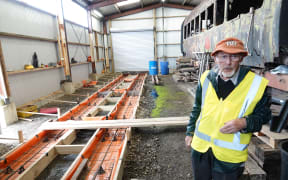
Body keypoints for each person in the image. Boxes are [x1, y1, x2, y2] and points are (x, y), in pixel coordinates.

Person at [185, 37, 271, 180]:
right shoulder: (206, 78)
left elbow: (264, 116)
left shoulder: (257, 84)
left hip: (229, 158)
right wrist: (190, 132)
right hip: (200, 150)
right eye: (223, 56)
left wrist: (244, 123)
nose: (228, 62)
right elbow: (197, 108)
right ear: (215, 58)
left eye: (234, 56)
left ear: (241, 58)